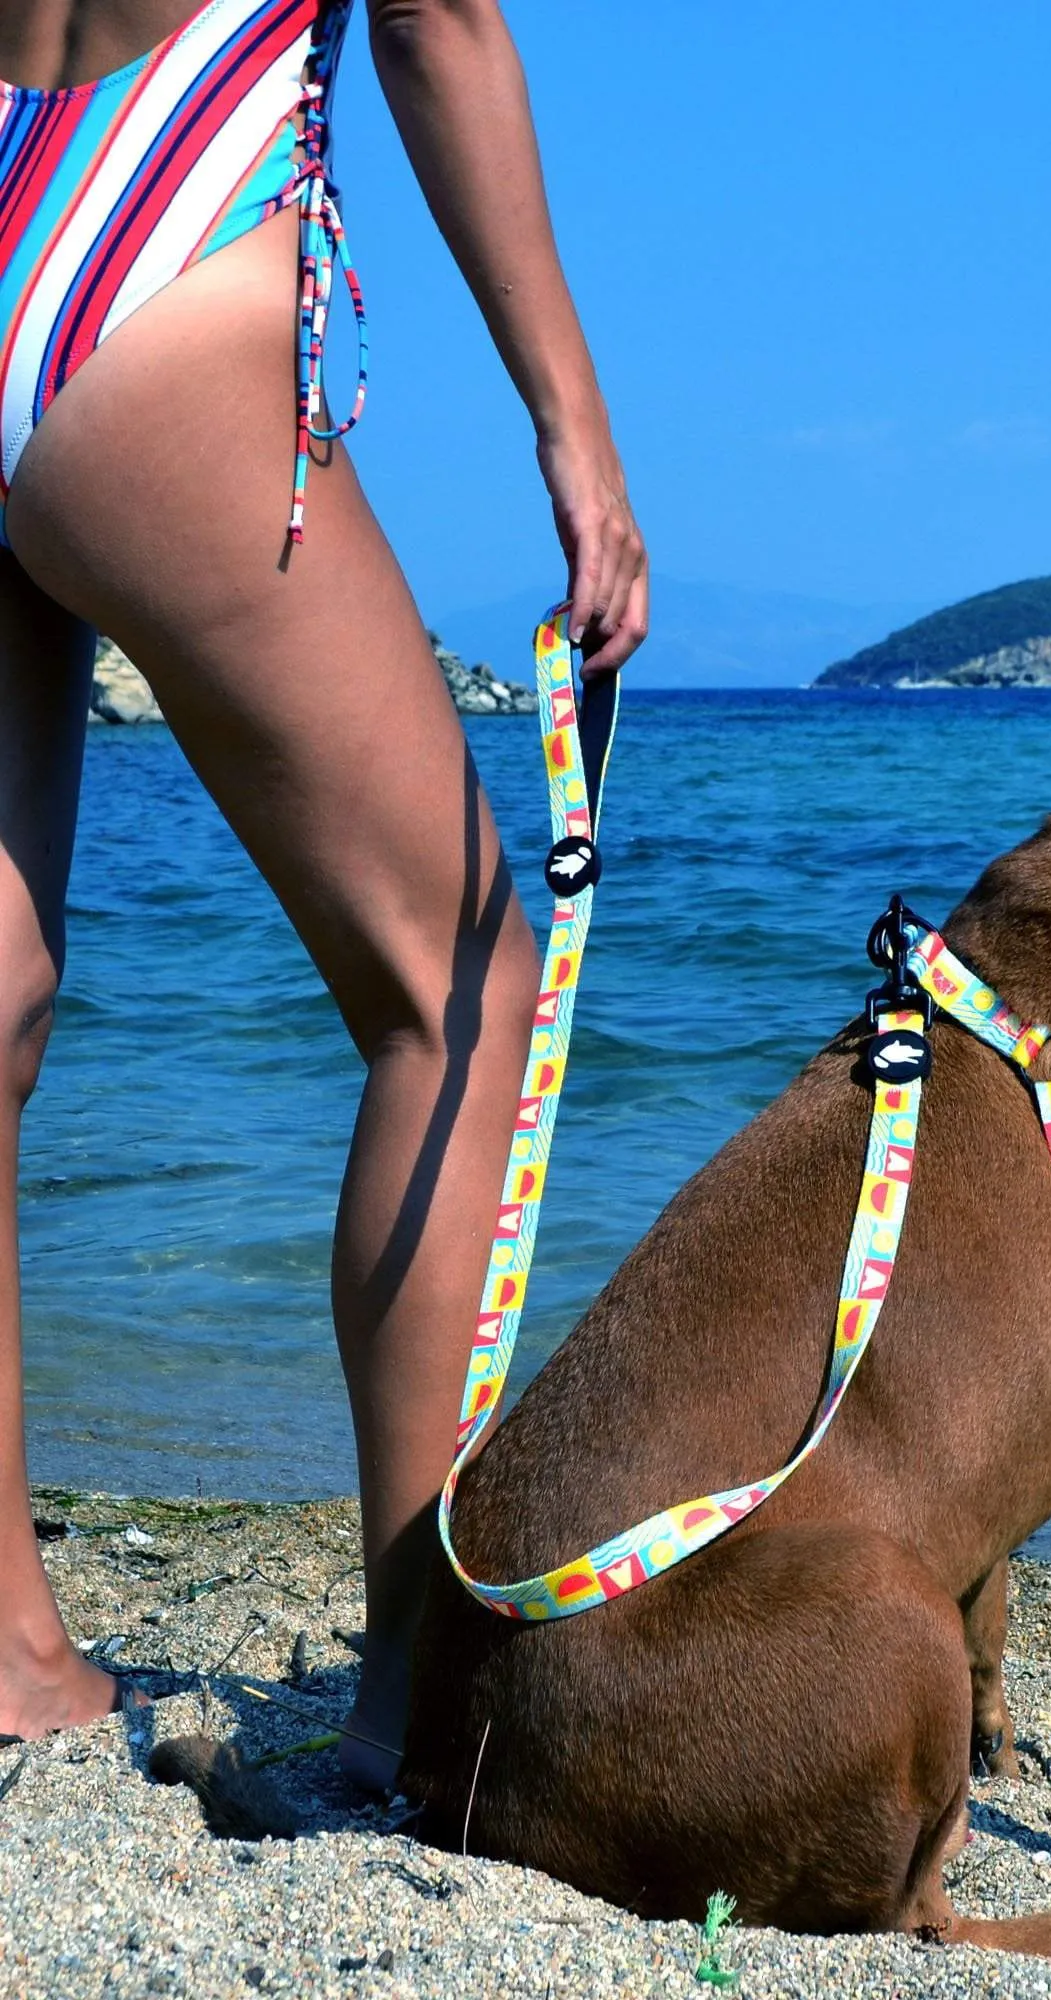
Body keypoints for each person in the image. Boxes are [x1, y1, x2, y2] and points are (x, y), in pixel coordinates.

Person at [0, 0, 646, 1789]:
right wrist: (570, 427)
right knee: (457, 986)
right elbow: (439, 22)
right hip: (164, 252)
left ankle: (9, 1654)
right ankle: (414, 1700)